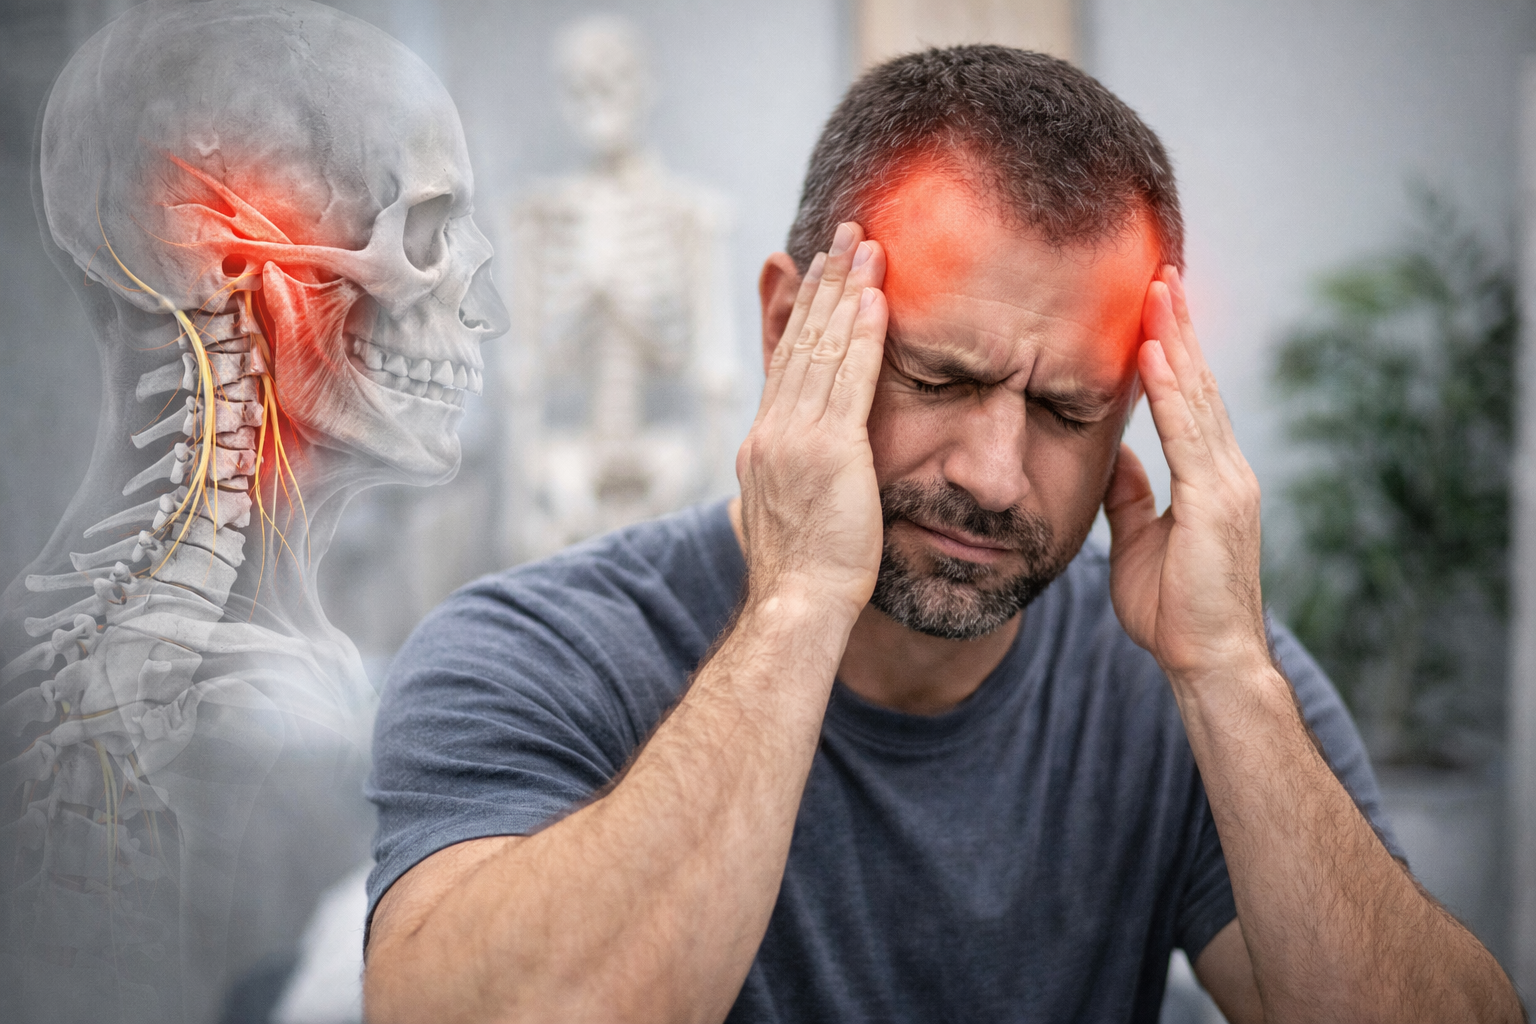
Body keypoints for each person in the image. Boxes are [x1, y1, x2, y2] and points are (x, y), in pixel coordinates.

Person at [361, 46, 1523, 1023]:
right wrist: (797, 604)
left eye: (1069, 410)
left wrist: (1226, 676)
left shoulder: (1193, 672)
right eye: (935, 375)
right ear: (787, 326)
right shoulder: (530, 650)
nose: (994, 474)